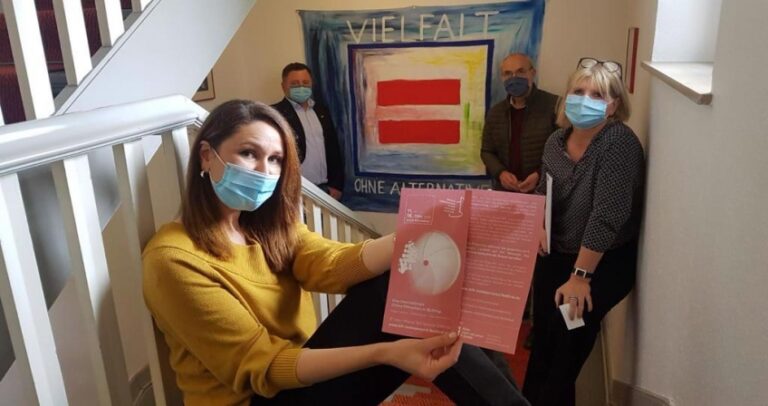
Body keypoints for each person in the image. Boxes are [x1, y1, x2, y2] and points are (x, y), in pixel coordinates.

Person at [142, 99, 530, 406]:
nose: (263, 171)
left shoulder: (266, 227)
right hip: (261, 395)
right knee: (395, 291)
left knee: (407, 280)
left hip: (298, 379)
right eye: (248, 153)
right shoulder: (173, 259)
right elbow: (266, 366)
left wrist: (424, 233)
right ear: (206, 155)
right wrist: (385, 353)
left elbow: (331, 264)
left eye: (275, 160)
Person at [522, 58, 645, 406]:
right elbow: (542, 192)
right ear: (567, 97)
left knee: (567, 336)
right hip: (558, 252)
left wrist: (580, 277)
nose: (586, 99)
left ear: (614, 105)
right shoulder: (555, 142)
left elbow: (608, 215)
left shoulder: (618, 143)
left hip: (600, 262)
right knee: (543, 338)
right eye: (579, 91)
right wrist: (539, 224)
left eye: (598, 94)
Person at [481, 53, 559, 194]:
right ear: (502, 77)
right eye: (508, 73)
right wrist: (501, 173)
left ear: (532, 73)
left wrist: (539, 174)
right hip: (506, 192)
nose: (514, 78)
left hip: (543, 191)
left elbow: (564, 152)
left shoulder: (554, 106)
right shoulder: (495, 112)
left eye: (520, 71)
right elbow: (487, 151)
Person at [272, 62, 344, 200]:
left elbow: (333, 149)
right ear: (283, 86)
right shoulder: (275, 114)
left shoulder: (321, 111)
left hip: (326, 189)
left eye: (305, 82)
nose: (301, 87)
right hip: (294, 191)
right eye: (294, 84)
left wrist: (337, 185)